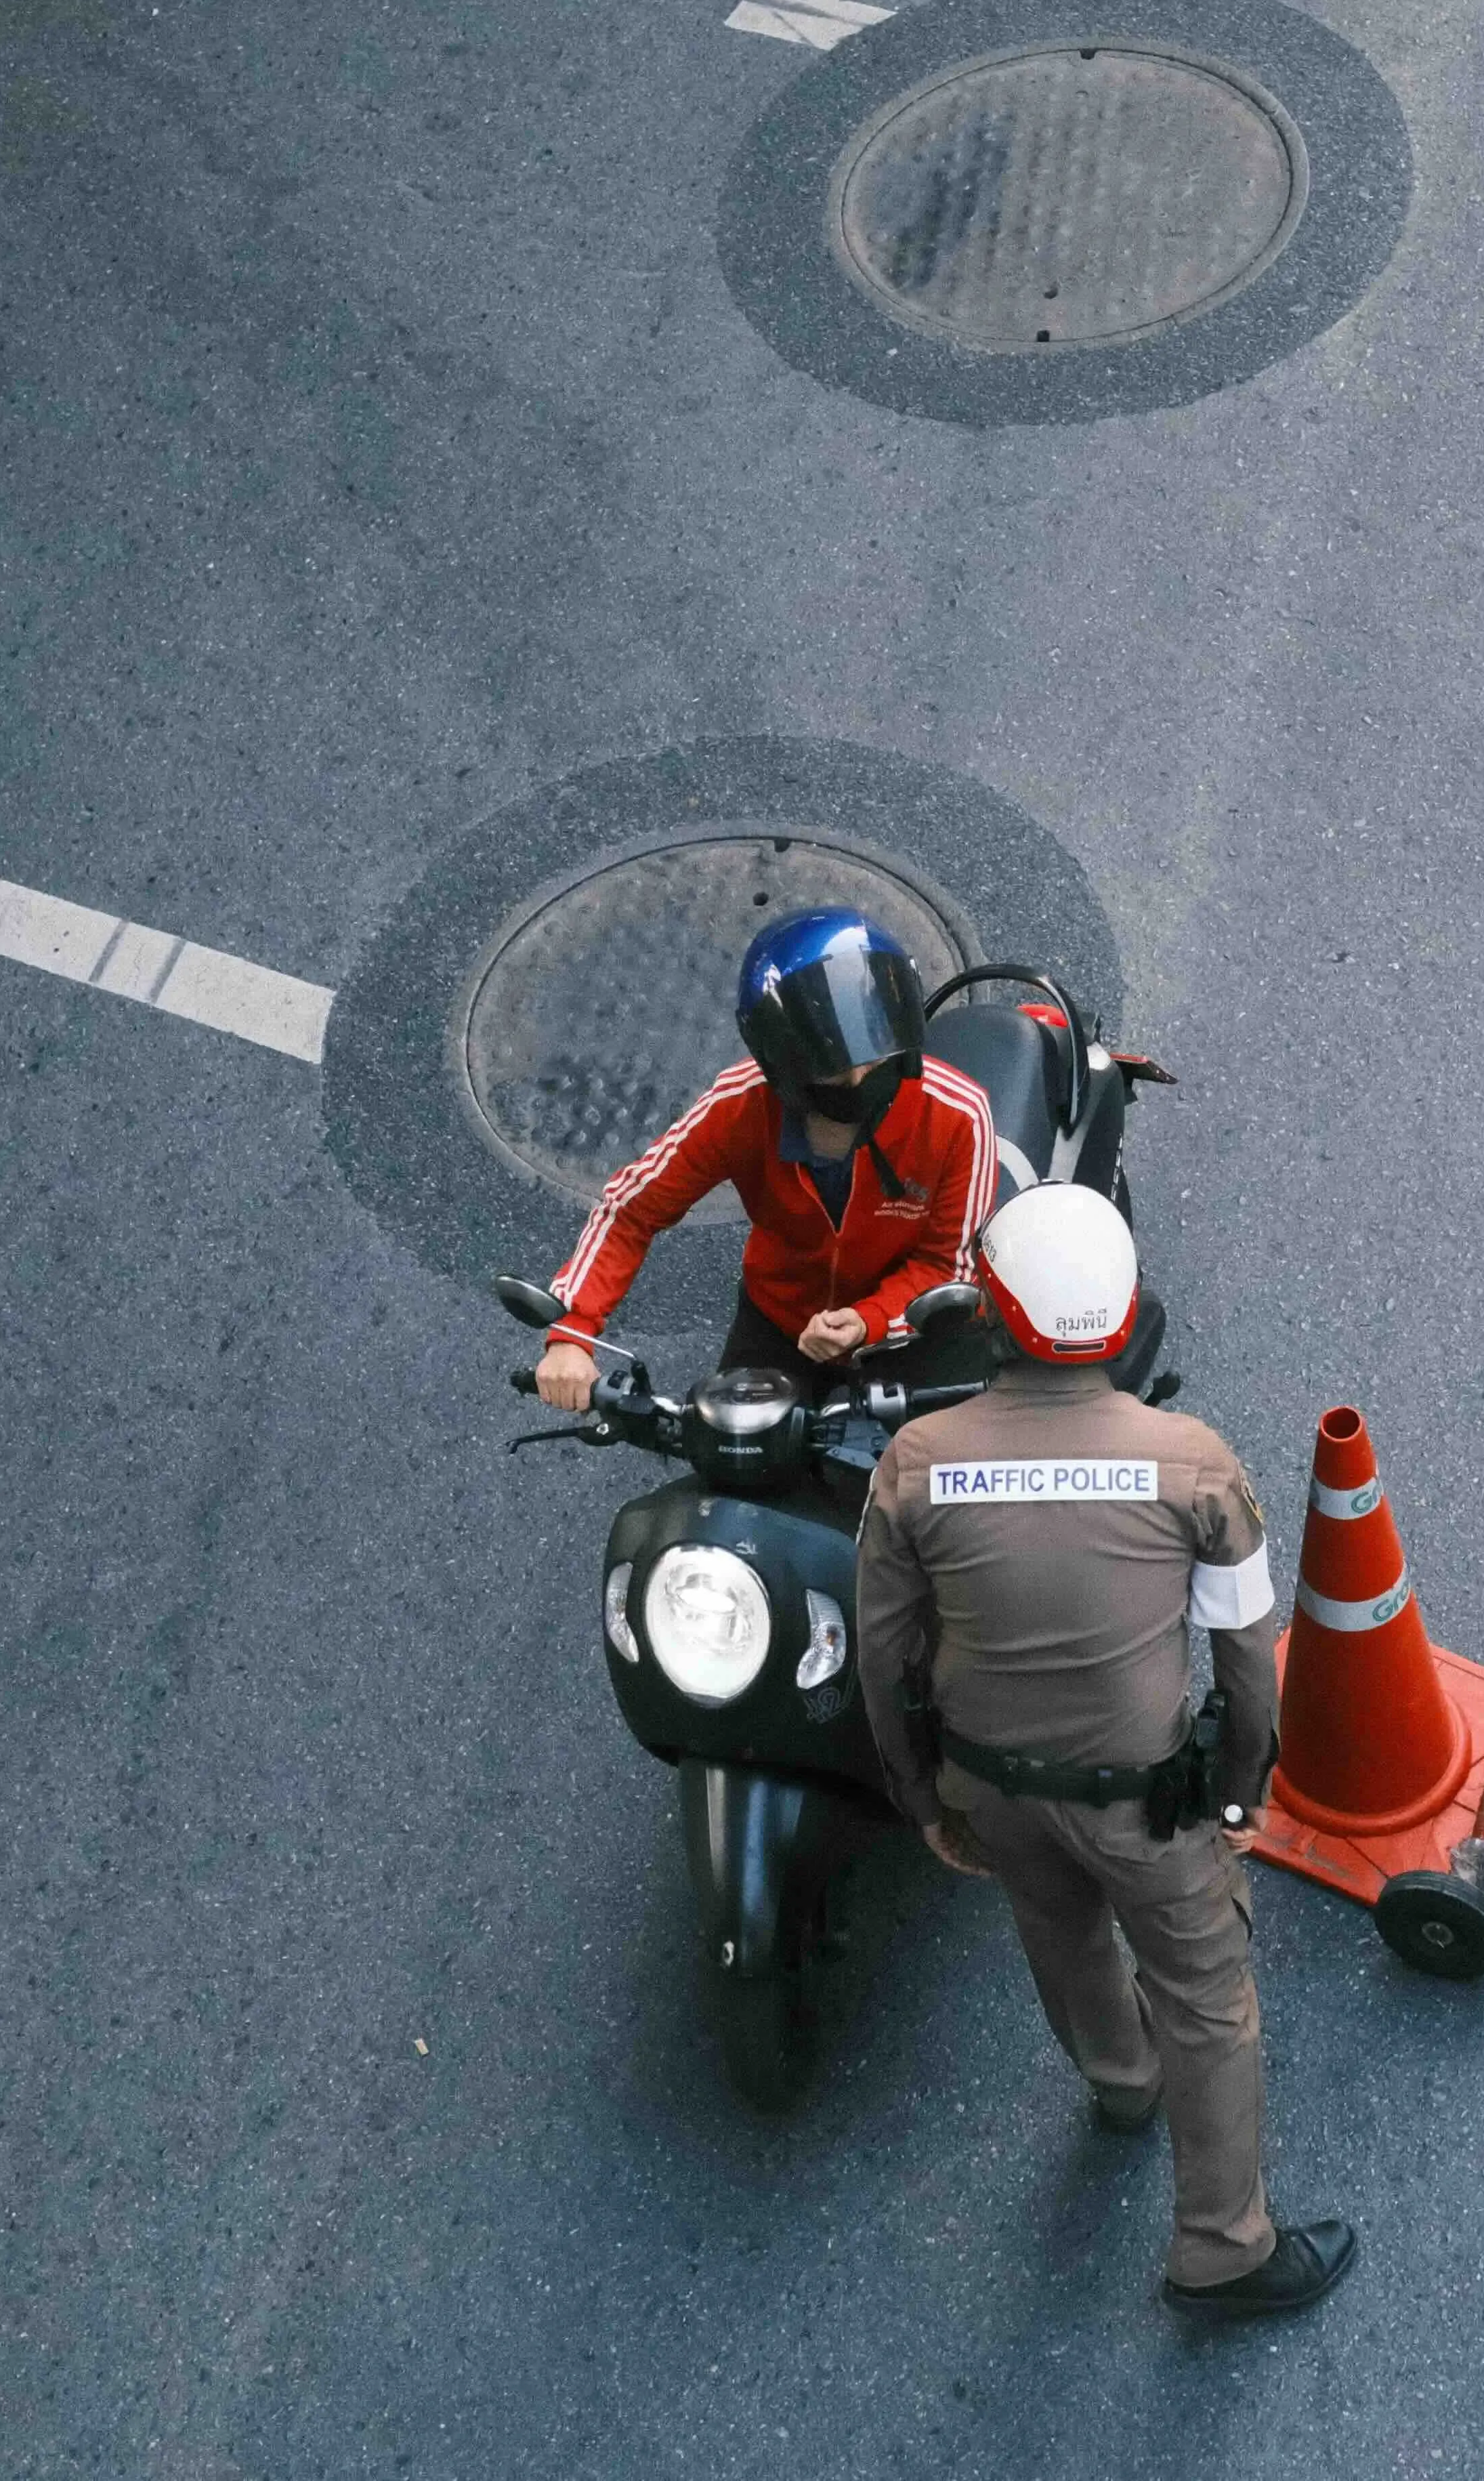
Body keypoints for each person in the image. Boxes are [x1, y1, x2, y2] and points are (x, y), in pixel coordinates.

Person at [852, 1183, 1356, 2321]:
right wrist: (1240, 1793)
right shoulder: (1193, 1464)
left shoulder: (917, 1464)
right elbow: (1245, 1658)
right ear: (1122, 1314)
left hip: (992, 1784)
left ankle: (1121, 2081)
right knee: (1207, 1998)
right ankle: (1222, 2248)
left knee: (1057, 1926)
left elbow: (884, 1656)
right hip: (1147, 1802)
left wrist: (923, 1796)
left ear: (994, 1312)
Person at [530, 909, 999, 1411]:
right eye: (833, 1073)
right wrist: (572, 1330)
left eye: (874, 1061)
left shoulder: (959, 1115)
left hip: (910, 1329)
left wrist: (870, 1320)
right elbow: (631, 1211)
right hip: (783, 1321)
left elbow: (948, 1266)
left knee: (930, 1459)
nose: (859, 1084)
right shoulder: (739, 1105)